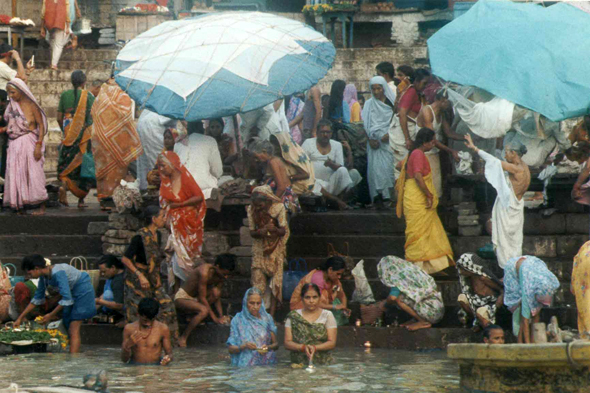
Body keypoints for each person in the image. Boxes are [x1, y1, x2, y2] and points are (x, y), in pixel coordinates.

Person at [464, 134, 531, 269]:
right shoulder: (525, 167)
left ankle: (509, 271)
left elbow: (493, 161)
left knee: (506, 244)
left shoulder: (517, 169)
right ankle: (513, 270)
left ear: (513, 153)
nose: (504, 155)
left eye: (506, 152)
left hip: (508, 209)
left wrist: (474, 148)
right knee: (513, 243)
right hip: (515, 209)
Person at [395, 128, 453, 274]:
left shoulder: (413, 153)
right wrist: (428, 194)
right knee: (419, 234)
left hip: (414, 196)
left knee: (430, 232)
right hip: (417, 198)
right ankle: (418, 269)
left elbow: (399, 165)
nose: (434, 144)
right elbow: (418, 176)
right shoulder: (418, 154)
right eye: (432, 141)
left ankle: (432, 267)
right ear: (425, 142)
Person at [15, 255, 96, 353]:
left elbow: (66, 299)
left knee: (74, 326)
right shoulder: (43, 277)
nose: (28, 276)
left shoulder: (58, 273)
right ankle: (72, 351)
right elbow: (36, 299)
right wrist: (20, 318)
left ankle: (74, 360)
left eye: (29, 273)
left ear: (36, 269)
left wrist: (50, 315)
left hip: (82, 290)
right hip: (71, 293)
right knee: (67, 322)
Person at [122, 205, 179, 343]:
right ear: (154, 219)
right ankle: (138, 345)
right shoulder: (139, 237)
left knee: (167, 306)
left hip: (153, 279)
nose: (164, 219)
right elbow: (125, 258)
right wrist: (140, 275)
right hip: (137, 281)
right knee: (137, 314)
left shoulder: (158, 235)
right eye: (162, 216)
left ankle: (167, 342)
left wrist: (157, 278)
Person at [157, 150, 206, 288]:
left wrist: (180, 205)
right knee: (175, 261)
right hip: (174, 227)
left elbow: (198, 197)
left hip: (189, 226)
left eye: (163, 166)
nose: (161, 169)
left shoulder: (185, 177)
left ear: (172, 164)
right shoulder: (165, 182)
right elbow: (164, 204)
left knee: (188, 261)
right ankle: (177, 293)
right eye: (159, 166)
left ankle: (189, 291)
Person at [91, 79, 142, 206]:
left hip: (100, 141)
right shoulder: (123, 97)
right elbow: (126, 118)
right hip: (118, 142)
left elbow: (93, 115)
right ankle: (114, 200)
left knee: (106, 171)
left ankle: (104, 199)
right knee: (116, 172)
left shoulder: (100, 99)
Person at [1, 79, 48, 214]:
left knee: (34, 174)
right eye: (9, 93)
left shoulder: (32, 105)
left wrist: (38, 145)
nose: (11, 95)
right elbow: (9, 124)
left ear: (21, 91)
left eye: (13, 92)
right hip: (14, 144)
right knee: (16, 173)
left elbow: (41, 125)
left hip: (30, 143)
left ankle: (41, 206)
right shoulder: (11, 106)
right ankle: (20, 205)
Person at [174, 254, 235, 347]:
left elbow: (216, 297)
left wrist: (221, 316)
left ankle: (192, 316)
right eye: (224, 274)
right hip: (183, 297)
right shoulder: (204, 272)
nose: (226, 277)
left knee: (216, 292)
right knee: (204, 311)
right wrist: (215, 319)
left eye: (228, 275)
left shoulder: (220, 276)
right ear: (217, 267)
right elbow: (202, 298)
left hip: (196, 299)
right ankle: (183, 337)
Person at [248, 185, 289, 317]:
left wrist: (273, 229)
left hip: (275, 247)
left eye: (260, 205)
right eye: (256, 205)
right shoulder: (251, 209)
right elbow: (252, 232)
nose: (258, 208)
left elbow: (283, 230)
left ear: (268, 201)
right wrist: (263, 230)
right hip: (259, 247)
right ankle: (258, 315)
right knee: (257, 279)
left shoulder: (279, 208)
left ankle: (271, 316)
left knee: (275, 283)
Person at [302, 119, 362, 210]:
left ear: (331, 133)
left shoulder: (336, 145)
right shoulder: (308, 143)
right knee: (312, 182)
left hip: (331, 183)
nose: (325, 135)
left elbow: (341, 167)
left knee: (344, 171)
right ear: (317, 132)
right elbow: (301, 163)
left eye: (327, 132)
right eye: (322, 132)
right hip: (314, 182)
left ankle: (338, 201)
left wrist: (331, 164)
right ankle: (337, 202)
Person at [57, 70, 96, 208]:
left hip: (68, 136)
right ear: (84, 82)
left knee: (66, 165)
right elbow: (91, 119)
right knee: (82, 167)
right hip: (83, 138)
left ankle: (64, 185)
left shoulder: (65, 95)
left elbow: (59, 117)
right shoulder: (88, 96)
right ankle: (81, 201)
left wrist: (66, 132)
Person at [378, 255, 444, 331]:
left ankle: (422, 322)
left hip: (431, 313)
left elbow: (393, 297)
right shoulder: (411, 272)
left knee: (399, 298)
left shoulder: (396, 276)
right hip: (437, 309)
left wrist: (384, 305)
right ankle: (416, 320)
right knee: (410, 295)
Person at [503, 256, 559, 344]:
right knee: (522, 310)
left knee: (535, 312)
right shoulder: (528, 288)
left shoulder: (546, 283)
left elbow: (536, 313)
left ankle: (532, 341)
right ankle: (520, 342)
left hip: (530, 265)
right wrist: (529, 346)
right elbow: (525, 320)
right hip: (514, 269)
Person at [416, 89, 460, 197]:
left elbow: (449, 133)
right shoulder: (427, 111)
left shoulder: (442, 114)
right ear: (443, 100)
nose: (450, 106)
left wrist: (468, 138)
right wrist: (451, 151)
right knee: (429, 185)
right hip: (424, 153)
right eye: (449, 103)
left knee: (436, 185)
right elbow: (432, 140)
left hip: (434, 152)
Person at [390, 68, 430, 180]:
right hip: (402, 135)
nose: (425, 86)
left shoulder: (418, 93)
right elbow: (402, 114)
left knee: (407, 168)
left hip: (409, 131)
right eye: (424, 83)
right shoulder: (411, 91)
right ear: (416, 81)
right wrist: (407, 138)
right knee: (401, 169)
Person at [362, 76, 396, 209]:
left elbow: (396, 121)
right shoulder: (368, 104)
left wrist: (389, 134)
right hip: (374, 143)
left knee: (388, 169)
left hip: (388, 142)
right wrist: (370, 139)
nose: (376, 92)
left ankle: (390, 197)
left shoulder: (391, 103)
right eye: (373, 89)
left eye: (379, 88)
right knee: (375, 171)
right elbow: (365, 124)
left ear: (384, 88)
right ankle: (378, 198)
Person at [285, 283, 337, 366]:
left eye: (315, 297)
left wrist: (315, 348)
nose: (311, 301)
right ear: (301, 299)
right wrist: (303, 348)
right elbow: (287, 343)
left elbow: (332, 343)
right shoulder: (293, 316)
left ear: (319, 298)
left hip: (323, 364)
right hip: (298, 365)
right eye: (307, 297)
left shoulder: (327, 315)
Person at [290, 256, 350, 326]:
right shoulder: (317, 278)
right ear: (330, 269)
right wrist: (334, 307)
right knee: (325, 294)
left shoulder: (334, 279)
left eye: (340, 274)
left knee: (335, 291)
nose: (339, 277)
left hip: (319, 306)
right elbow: (314, 302)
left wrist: (344, 308)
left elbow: (342, 295)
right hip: (301, 305)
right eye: (338, 274)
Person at [227, 288, 279, 366]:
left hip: (265, 365)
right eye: (252, 303)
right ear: (245, 302)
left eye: (258, 303)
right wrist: (244, 346)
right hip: (244, 366)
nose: (255, 306)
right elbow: (230, 349)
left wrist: (267, 348)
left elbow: (276, 345)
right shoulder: (237, 320)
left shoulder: (267, 319)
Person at [249, 137, 301, 214]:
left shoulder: (273, 162)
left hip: (283, 198)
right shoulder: (272, 161)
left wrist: (272, 203)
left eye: (256, 157)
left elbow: (281, 187)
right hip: (282, 197)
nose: (256, 160)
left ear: (264, 152)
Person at [174, 121, 222, 200]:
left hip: (182, 190)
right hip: (204, 189)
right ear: (202, 129)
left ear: (188, 129)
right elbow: (218, 172)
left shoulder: (178, 144)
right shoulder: (210, 140)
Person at [456, 253, 503, 330]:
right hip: (476, 303)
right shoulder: (468, 280)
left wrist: (500, 299)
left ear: (469, 268)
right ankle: (476, 320)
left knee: (481, 312)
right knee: (461, 298)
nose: (460, 271)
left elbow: (501, 289)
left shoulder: (483, 278)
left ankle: (488, 331)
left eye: (462, 269)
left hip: (489, 303)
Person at [122, 298, 173, 365]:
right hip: (135, 366)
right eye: (145, 320)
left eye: (151, 320)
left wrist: (167, 359)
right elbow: (124, 360)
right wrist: (128, 346)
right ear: (138, 314)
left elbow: (169, 354)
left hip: (156, 367)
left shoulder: (163, 329)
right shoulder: (129, 328)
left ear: (155, 317)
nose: (148, 324)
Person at [137, 109, 177, 191]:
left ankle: (146, 190)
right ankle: (159, 193)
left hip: (144, 119)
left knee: (146, 164)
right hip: (155, 123)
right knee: (160, 165)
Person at [41, 0, 75, 70]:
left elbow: (43, 14)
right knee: (59, 44)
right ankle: (54, 64)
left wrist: (42, 27)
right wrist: (68, 26)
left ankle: (53, 62)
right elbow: (67, 13)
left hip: (49, 24)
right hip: (60, 22)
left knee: (53, 42)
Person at [95, 255, 125, 320]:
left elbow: (119, 305)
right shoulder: (111, 277)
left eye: (104, 271)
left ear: (113, 267)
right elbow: (102, 297)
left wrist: (99, 301)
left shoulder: (119, 281)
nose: (102, 274)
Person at [572, 241, 590, 338]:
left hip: (583, 264)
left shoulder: (586, 245)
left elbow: (576, 260)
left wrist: (574, 284)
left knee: (585, 300)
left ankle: (587, 332)